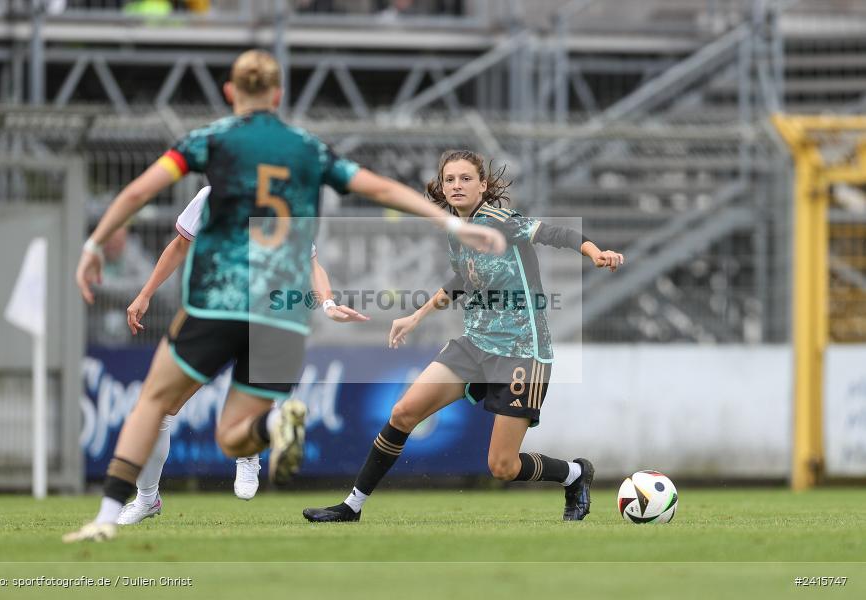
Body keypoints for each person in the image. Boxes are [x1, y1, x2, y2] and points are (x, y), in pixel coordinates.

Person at [65, 51, 505, 543]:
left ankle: (119, 508)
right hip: (279, 321)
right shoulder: (303, 158)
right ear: (278, 96)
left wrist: (92, 245)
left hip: (217, 306)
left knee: (155, 405)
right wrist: (446, 221)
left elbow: (136, 195)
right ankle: (261, 435)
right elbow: (374, 188)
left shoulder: (213, 147)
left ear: (231, 93)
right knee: (230, 430)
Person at [303, 149, 624, 524]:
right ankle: (351, 506)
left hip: (522, 351)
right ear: (442, 186)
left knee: (502, 466)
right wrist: (415, 316)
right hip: (473, 346)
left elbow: (555, 232)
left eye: (466, 178)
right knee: (403, 412)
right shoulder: (456, 230)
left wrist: (593, 251)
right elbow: (463, 281)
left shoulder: (498, 220)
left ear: (482, 185)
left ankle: (573, 474)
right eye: (450, 179)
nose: (457, 185)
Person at [117, 185, 367, 526]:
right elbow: (179, 246)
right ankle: (147, 500)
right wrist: (145, 293)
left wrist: (327, 302)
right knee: (157, 408)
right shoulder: (210, 194)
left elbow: (311, 264)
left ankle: (250, 454)